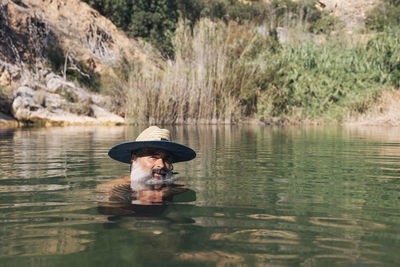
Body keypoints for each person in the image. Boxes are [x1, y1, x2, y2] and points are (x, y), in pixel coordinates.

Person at [97, 126, 196, 205]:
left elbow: (184, 186)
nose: (161, 165)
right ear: (134, 159)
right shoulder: (114, 188)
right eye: (153, 157)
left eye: (166, 159)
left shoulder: (172, 184)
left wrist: (167, 191)